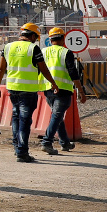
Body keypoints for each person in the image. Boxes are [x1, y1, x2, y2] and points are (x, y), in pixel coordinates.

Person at [0, 23, 59, 163]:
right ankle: (22, 152)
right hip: (27, 91)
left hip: (12, 88)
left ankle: (18, 148)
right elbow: (44, 69)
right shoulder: (33, 48)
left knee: (16, 118)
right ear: (33, 35)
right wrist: (53, 83)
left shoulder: (8, 47)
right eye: (36, 37)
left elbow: (1, 68)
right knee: (24, 120)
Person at [38, 27, 87, 155]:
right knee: (57, 115)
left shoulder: (43, 51)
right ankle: (46, 142)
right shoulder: (66, 52)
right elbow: (73, 73)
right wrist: (81, 91)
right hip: (62, 89)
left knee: (57, 115)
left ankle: (65, 142)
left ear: (50, 39)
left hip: (47, 89)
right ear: (63, 38)